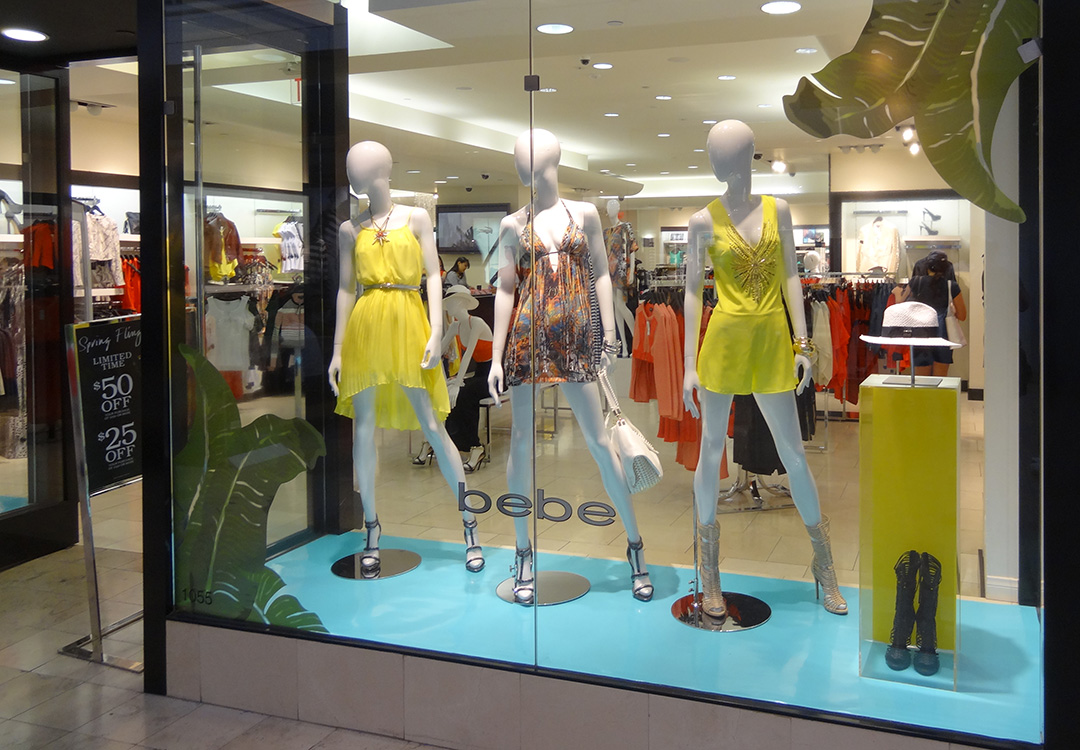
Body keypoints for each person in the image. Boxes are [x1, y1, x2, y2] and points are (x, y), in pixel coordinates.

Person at [683, 120, 847, 619]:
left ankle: (826, 568)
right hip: (726, 342)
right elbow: (692, 290)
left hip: (773, 340)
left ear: (746, 155)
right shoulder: (701, 221)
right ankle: (708, 575)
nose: (718, 161)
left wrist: (803, 342)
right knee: (712, 450)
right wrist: (689, 364)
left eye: (724, 152)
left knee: (793, 454)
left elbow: (792, 276)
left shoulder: (780, 210)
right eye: (713, 152)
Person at [487, 128, 653, 605]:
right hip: (527, 337)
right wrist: (495, 357)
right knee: (520, 441)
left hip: (577, 338)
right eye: (518, 158)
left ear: (548, 160)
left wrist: (606, 336)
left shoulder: (584, 214)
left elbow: (600, 273)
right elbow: (504, 290)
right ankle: (522, 552)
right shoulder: (511, 225)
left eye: (527, 158)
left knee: (601, 442)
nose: (521, 166)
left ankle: (635, 544)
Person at [327, 141, 484, 577]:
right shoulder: (349, 229)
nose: (352, 173)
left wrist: (436, 329)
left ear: (381, 170)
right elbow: (345, 289)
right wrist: (338, 349)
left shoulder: (416, 218)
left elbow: (434, 273)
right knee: (363, 431)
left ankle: (469, 522)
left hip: (409, 321)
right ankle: (372, 528)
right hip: (366, 324)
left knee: (434, 425)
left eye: (356, 166)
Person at [441, 285, 492, 472]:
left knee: (464, 393)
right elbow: (438, 351)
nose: (450, 308)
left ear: (462, 302)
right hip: (480, 372)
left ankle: (475, 447)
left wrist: (457, 382)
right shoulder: (456, 326)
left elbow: (468, 354)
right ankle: (454, 444)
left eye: (452, 302)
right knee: (452, 391)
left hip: (494, 374)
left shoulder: (476, 323)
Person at [895, 250, 966, 377]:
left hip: (920, 334)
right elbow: (962, 316)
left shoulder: (916, 282)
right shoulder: (952, 286)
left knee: (921, 381)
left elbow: (900, 304)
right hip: (943, 335)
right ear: (947, 269)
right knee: (940, 380)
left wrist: (896, 292)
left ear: (926, 267)